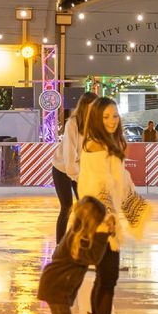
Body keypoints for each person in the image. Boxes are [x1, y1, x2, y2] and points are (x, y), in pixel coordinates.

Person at [77, 97, 152, 314]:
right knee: (107, 277)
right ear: (97, 119)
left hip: (104, 217)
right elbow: (98, 183)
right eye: (106, 117)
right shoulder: (95, 145)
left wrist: (130, 204)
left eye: (115, 116)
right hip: (98, 220)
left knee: (106, 277)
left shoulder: (110, 142)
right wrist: (108, 214)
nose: (111, 121)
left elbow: (119, 180)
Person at [37, 196, 114, 314]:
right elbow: (93, 258)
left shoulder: (76, 233)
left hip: (53, 283)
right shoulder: (78, 238)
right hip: (56, 285)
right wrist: (103, 235)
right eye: (98, 221)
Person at [53, 92, 98, 242]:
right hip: (62, 169)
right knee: (67, 207)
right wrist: (79, 179)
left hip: (79, 170)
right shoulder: (72, 123)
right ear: (85, 107)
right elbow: (69, 157)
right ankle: (60, 248)